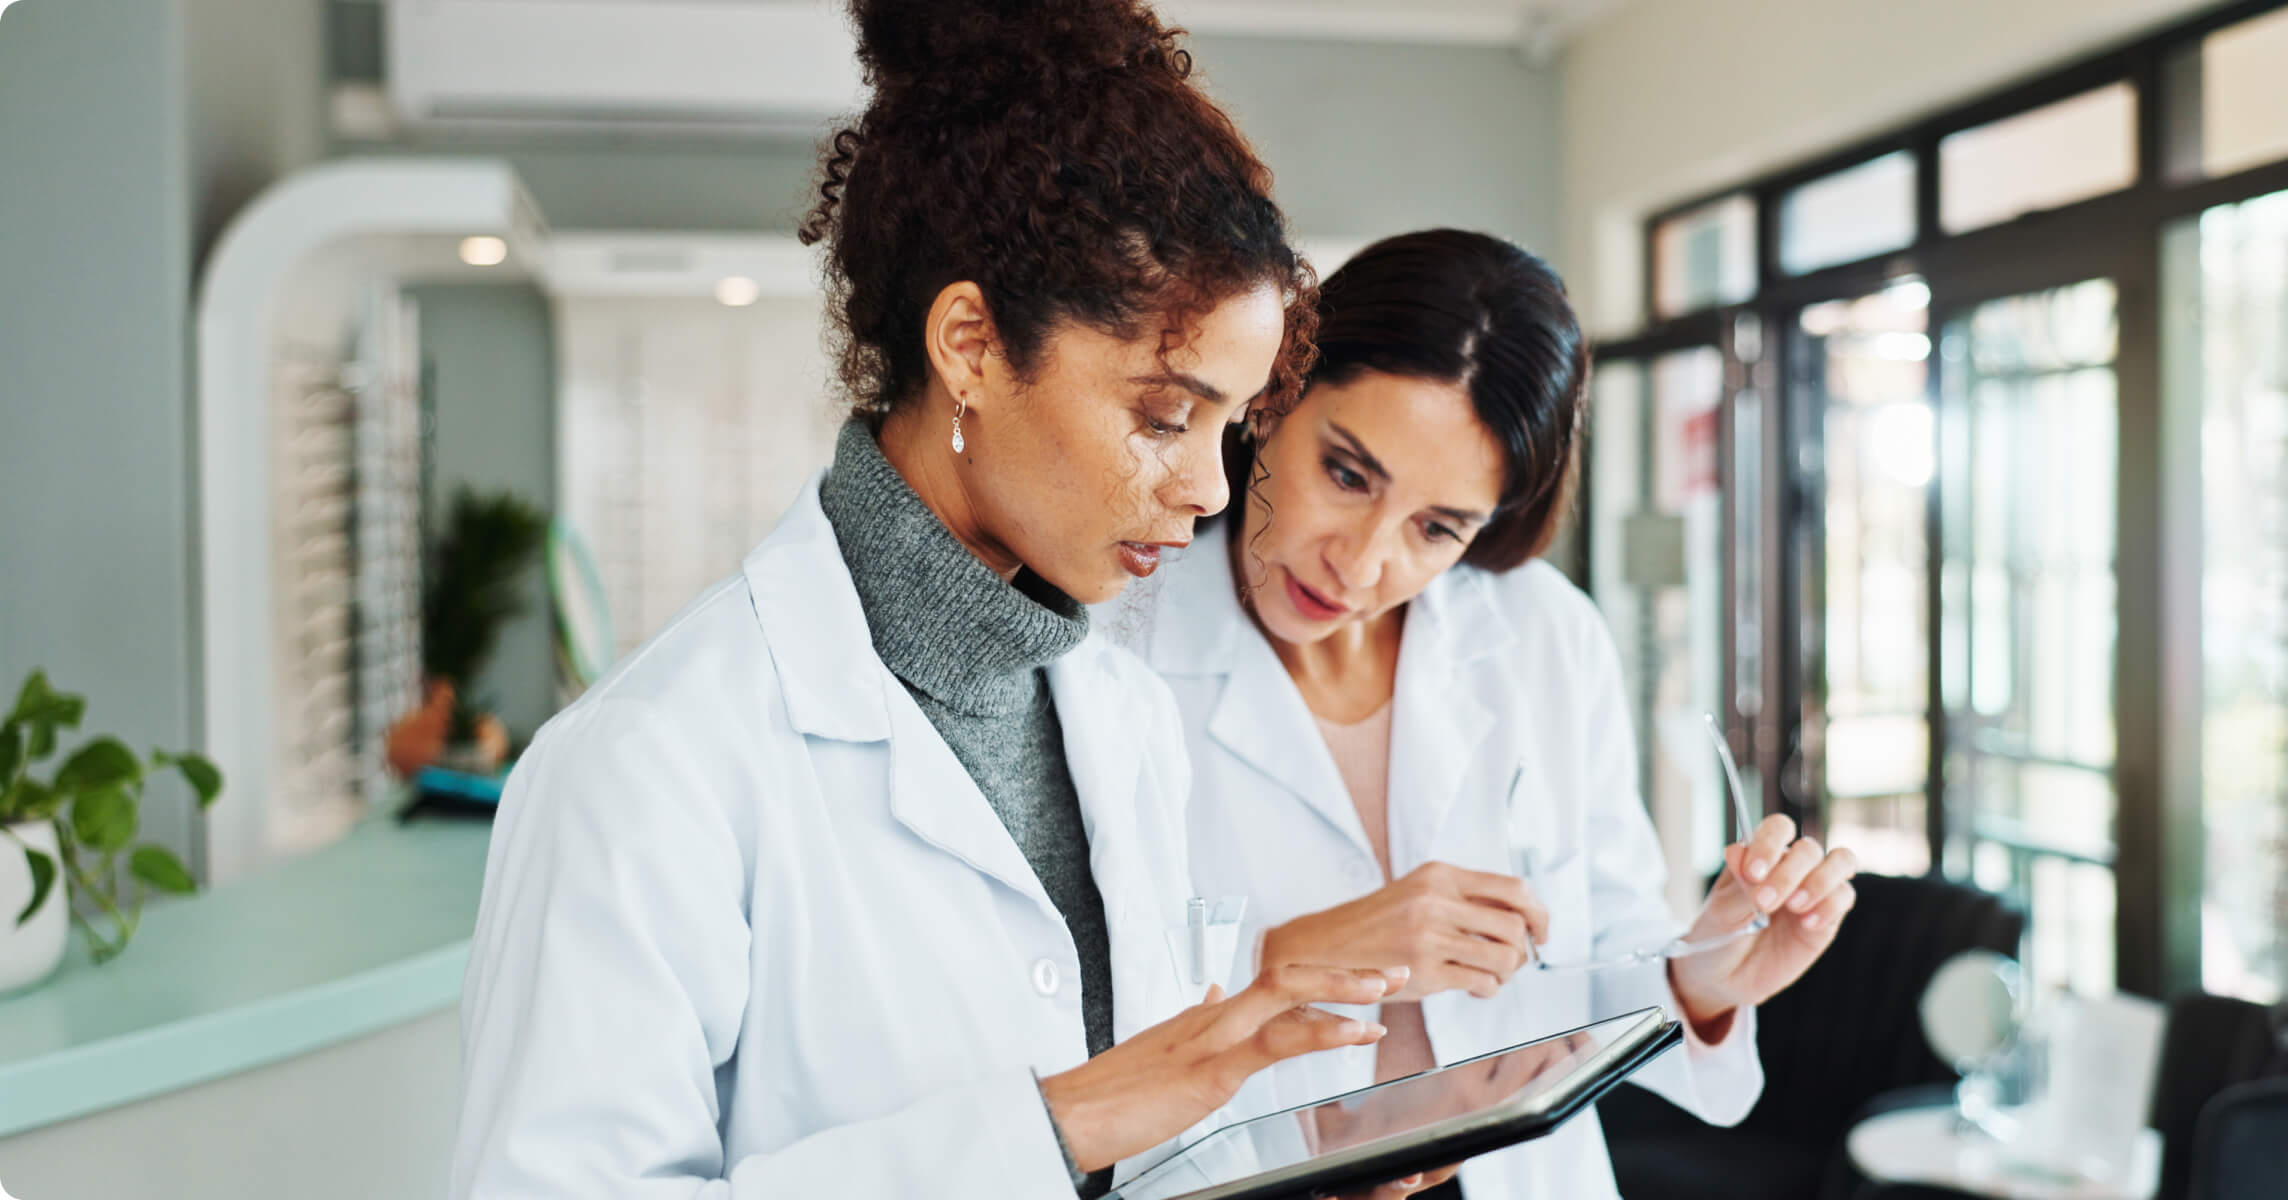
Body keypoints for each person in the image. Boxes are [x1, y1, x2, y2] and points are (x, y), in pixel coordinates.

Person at [447, 3, 1413, 1196]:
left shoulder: (1120, 718)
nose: (1209, 490)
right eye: (1165, 418)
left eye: (1232, 426)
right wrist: (1052, 1129)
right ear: (969, 344)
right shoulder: (649, 763)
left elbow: (1148, 1151)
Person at [1118, 230, 1861, 1198]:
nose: (1363, 562)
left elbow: (1598, 965)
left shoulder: (1544, 634)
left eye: (1438, 527)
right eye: (1347, 474)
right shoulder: (1111, 643)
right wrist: (1288, 958)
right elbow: (1055, 1022)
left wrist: (1706, 975)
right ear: (1271, 401)